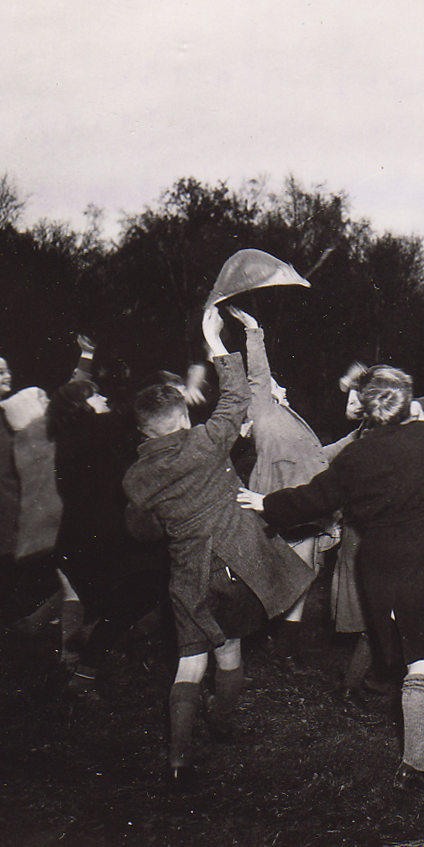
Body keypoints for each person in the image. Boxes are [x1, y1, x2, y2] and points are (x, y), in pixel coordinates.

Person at [239, 345, 424, 794]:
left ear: (367, 410)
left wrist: (266, 502)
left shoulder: (353, 459)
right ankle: (414, 763)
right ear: (405, 405)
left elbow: (312, 499)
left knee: (423, 653)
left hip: (381, 563)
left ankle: (423, 742)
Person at [123, 305, 315, 786]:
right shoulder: (205, 443)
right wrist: (216, 341)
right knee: (230, 655)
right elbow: (235, 398)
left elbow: (139, 530)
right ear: (184, 416)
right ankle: (223, 721)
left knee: (190, 665)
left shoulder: (137, 475)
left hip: (188, 576)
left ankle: (178, 758)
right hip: (236, 568)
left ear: (143, 430)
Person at [47, 335, 168, 696]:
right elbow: (131, 411)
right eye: (95, 396)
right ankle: (86, 665)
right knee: (145, 590)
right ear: (82, 406)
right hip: (99, 547)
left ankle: (85, 661)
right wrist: (168, 389)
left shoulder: (77, 437)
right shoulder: (89, 432)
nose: (103, 398)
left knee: (129, 599)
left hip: (85, 545)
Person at [228, 306, 331, 670]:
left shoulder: (284, 415)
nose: (280, 385)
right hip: (278, 504)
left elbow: (313, 454)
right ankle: (245, 638)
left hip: (301, 505)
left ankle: (287, 644)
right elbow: (258, 374)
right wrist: (254, 330)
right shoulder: (263, 411)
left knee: (303, 576)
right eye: (275, 384)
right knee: (272, 575)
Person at [0, 353, 19, 627]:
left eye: (7, 369)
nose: (7, 375)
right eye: (0, 371)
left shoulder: (0, 411)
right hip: (0, 501)